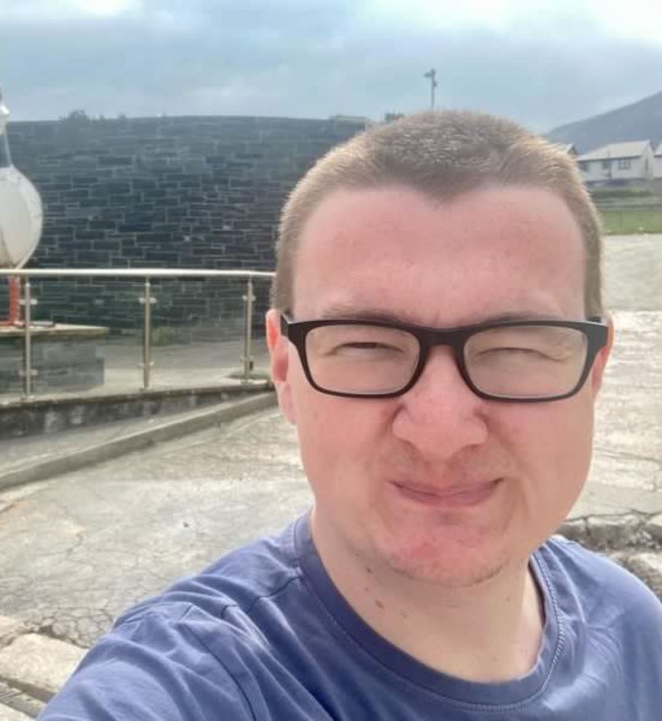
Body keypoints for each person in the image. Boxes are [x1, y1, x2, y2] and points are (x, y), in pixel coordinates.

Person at [39, 111, 662, 719]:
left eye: (518, 345)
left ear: (595, 367)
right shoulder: (189, 687)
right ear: (285, 369)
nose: (441, 432)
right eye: (365, 344)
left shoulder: (635, 629)